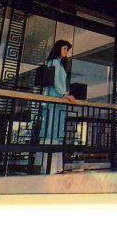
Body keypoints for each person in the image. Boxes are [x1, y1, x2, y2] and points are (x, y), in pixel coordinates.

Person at [39, 40, 76, 174]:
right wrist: (64, 94)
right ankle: (50, 167)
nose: (66, 51)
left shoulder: (59, 64)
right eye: (64, 48)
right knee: (51, 130)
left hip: (59, 102)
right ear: (58, 48)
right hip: (54, 100)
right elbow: (55, 81)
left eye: (67, 49)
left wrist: (65, 95)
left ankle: (56, 167)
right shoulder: (53, 62)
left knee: (57, 131)